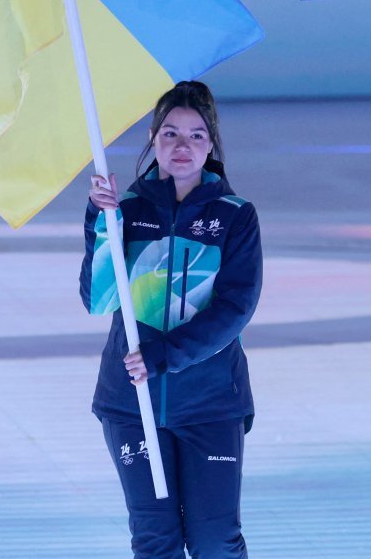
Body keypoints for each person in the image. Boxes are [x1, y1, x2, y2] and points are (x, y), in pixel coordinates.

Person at [82, 81, 261, 559]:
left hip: (210, 403)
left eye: (196, 136)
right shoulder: (125, 211)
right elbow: (97, 301)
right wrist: (105, 226)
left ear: (212, 143)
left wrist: (165, 355)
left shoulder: (234, 216)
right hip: (130, 403)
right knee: (153, 540)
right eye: (171, 134)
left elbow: (236, 308)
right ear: (152, 138)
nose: (182, 147)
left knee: (215, 540)